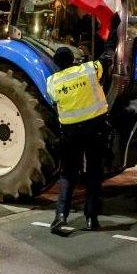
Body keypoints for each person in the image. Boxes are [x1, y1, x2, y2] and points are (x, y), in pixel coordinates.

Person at [46, 46, 109, 234]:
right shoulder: (89, 69)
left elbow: (53, 100)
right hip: (95, 129)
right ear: (73, 58)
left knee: (67, 175)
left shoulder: (52, 82)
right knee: (94, 174)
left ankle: (60, 217)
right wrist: (113, 33)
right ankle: (91, 219)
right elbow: (107, 58)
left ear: (57, 64)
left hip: (70, 134)